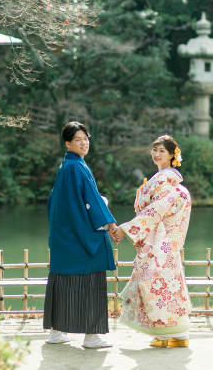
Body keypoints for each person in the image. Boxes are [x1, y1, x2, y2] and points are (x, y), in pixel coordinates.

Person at [110, 135, 193, 348]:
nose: (156, 154)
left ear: (172, 155)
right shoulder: (171, 180)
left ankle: (165, 335)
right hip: (167, 243)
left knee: (154, 285)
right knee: (170, 284)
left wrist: (125, 230)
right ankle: (180, 333)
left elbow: (154, 212)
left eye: (162, 151)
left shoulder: (165, 179)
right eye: (154, 150)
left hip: (159, 242)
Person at [44, 121, 117, 349]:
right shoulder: (76, 167)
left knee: (64, 284)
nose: (83, 142)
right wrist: (111, 223)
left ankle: (56, 332)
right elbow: (92, 201)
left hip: (65, 237)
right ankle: (92, 337)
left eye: (85, 138)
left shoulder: (66, 166)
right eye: (78, 139)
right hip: (80, 239)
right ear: (67, 143)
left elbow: (56, 202)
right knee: (90, 284)